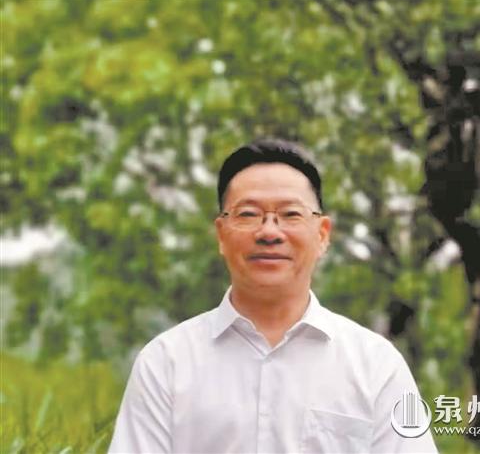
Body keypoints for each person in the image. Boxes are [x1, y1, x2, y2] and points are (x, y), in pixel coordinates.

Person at [109, 139, 438, 453]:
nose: (269, 232)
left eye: (291, 214)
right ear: (221, 234)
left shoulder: (377, 366)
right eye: (248, 214)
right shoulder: (166, 363)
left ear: (322, 235)